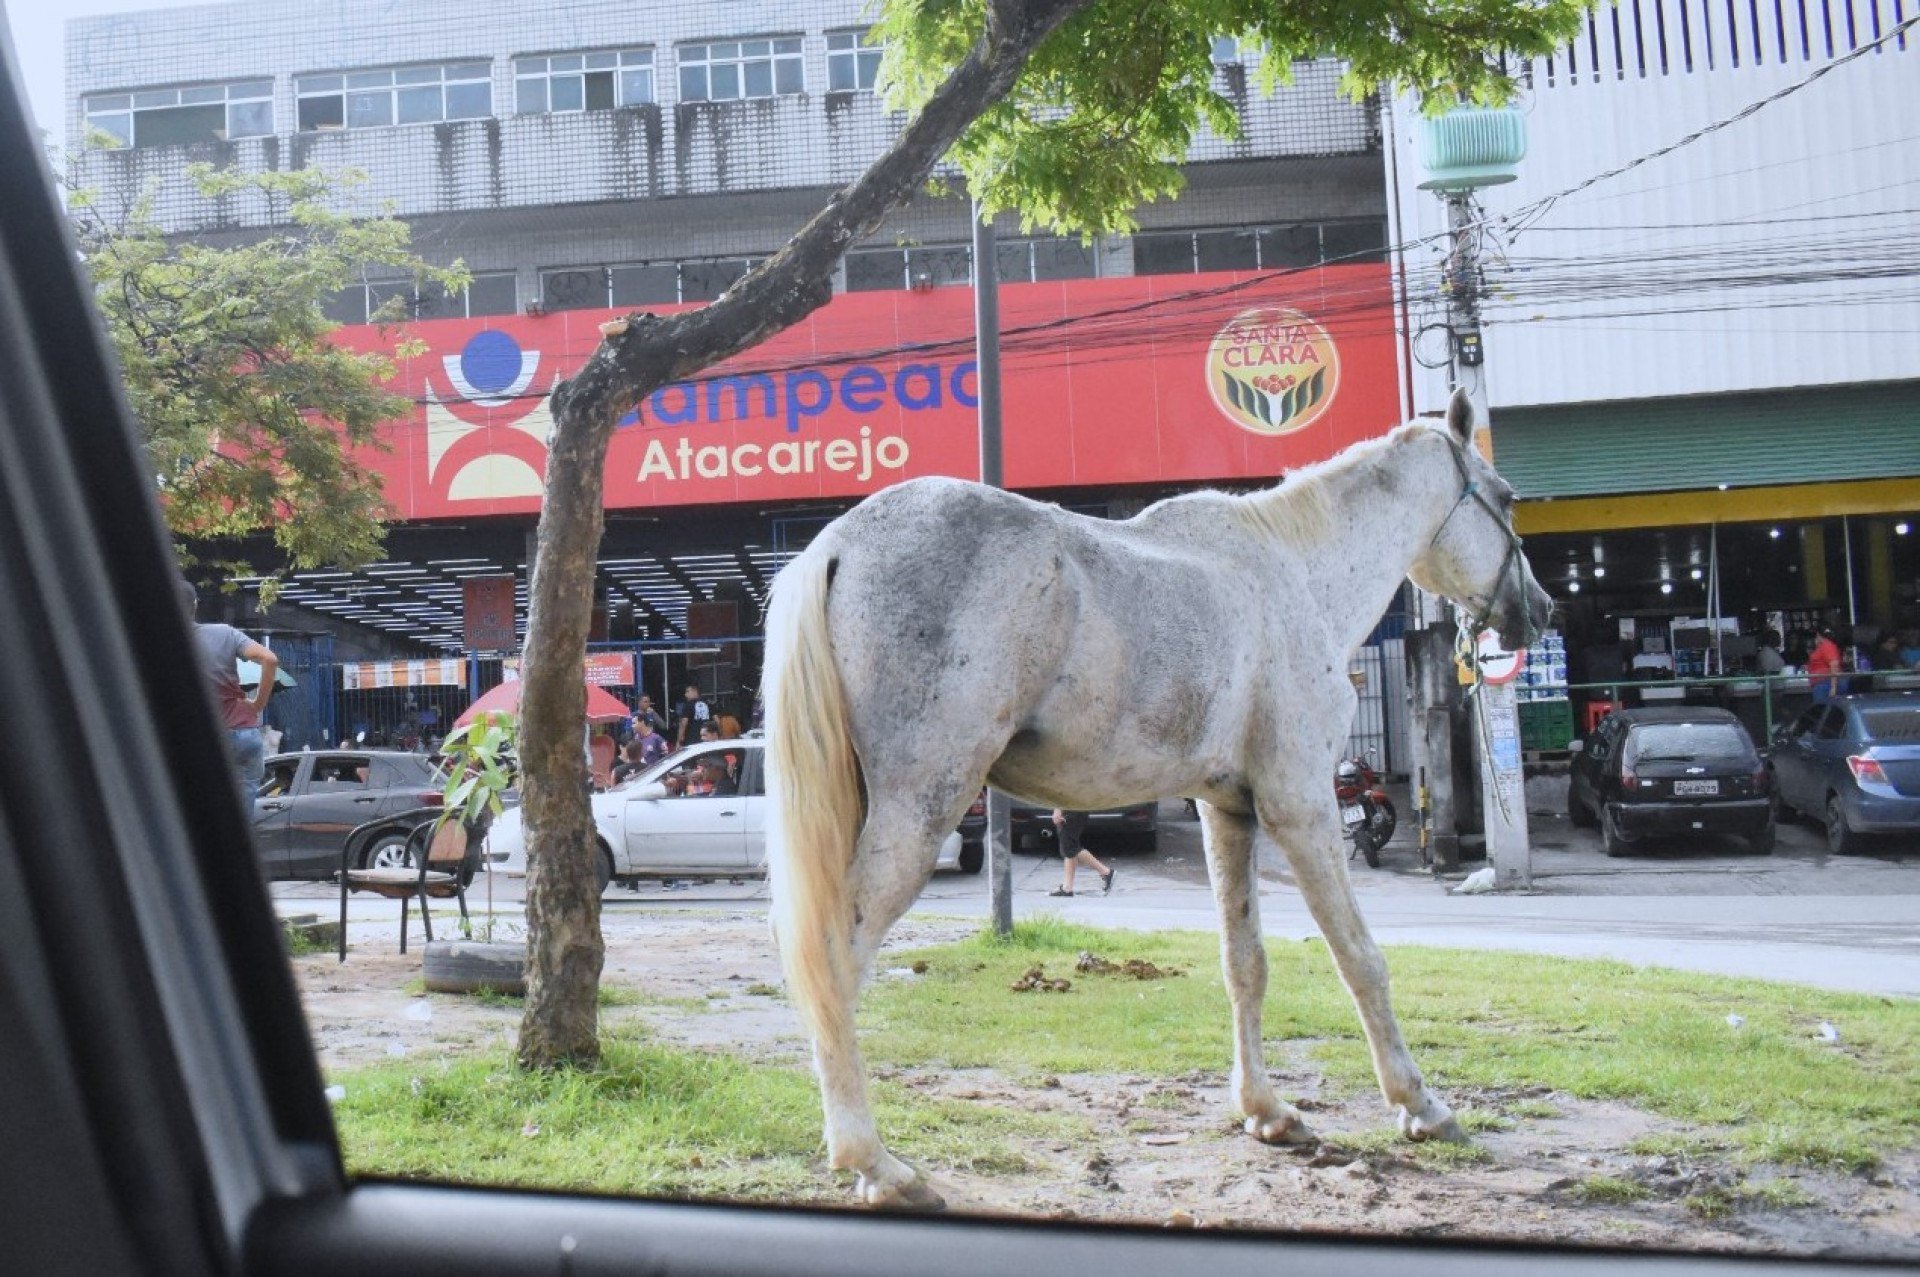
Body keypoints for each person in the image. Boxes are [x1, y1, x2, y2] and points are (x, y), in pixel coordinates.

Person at [180, 577, 279, 803]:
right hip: (243, 733)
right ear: (195, 604)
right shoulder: (225, 633)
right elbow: (269, 659)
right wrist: (257, 704)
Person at [1048, 808, 1114, 897]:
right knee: (1068, 846)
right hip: (1075, 807)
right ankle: (1067, 888)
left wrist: (1058, 809)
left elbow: (1065, 793)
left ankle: (1106, 872)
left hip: (1070, 807)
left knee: (1069, 848)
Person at [1807, 625, 1844, 704]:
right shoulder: (1822, 647)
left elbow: (1834, 665)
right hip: (1822, 684)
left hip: (1825, 684)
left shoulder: (1827, 645)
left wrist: (1833, 688)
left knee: (1822, 710)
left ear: (1818, 635)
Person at [673, 682, 710, 749]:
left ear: (695, 691)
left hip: (692, 739)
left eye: (687, 692)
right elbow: (716, 719)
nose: (685, 694)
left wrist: (679, 741)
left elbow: (683, 723)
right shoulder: (708, 703)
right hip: (707, 738)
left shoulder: (688, 704)